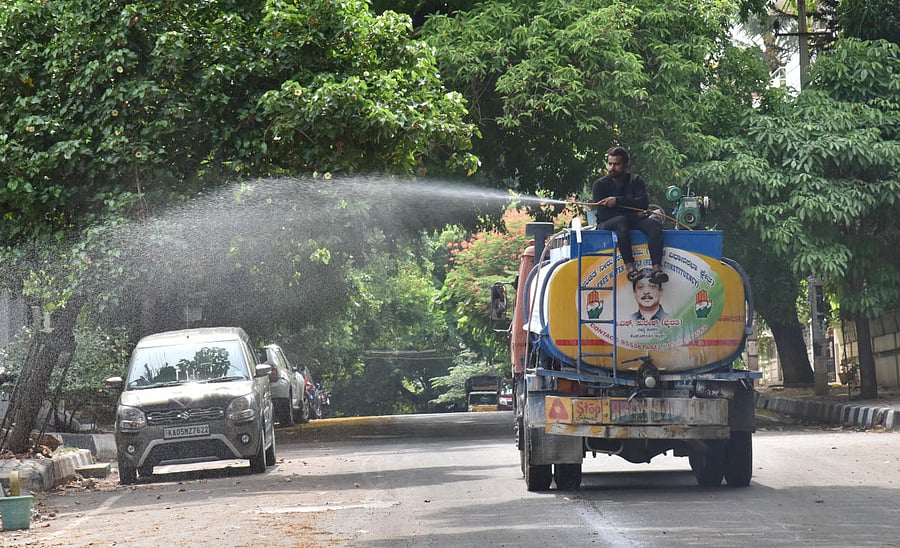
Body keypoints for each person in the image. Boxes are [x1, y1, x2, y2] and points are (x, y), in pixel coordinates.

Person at [592, 146, 668, 284]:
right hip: (607, 223)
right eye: (610, 164)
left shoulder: (636, 181)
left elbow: (643, 203)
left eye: (617, 164)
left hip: (632, 220)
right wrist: (634, 215)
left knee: (654, 225)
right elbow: (604, 214)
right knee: (620, 221)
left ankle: (656, 269)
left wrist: (617, 201)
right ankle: (630, 268)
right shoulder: (600, 185)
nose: (612, 168)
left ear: (626, 165)